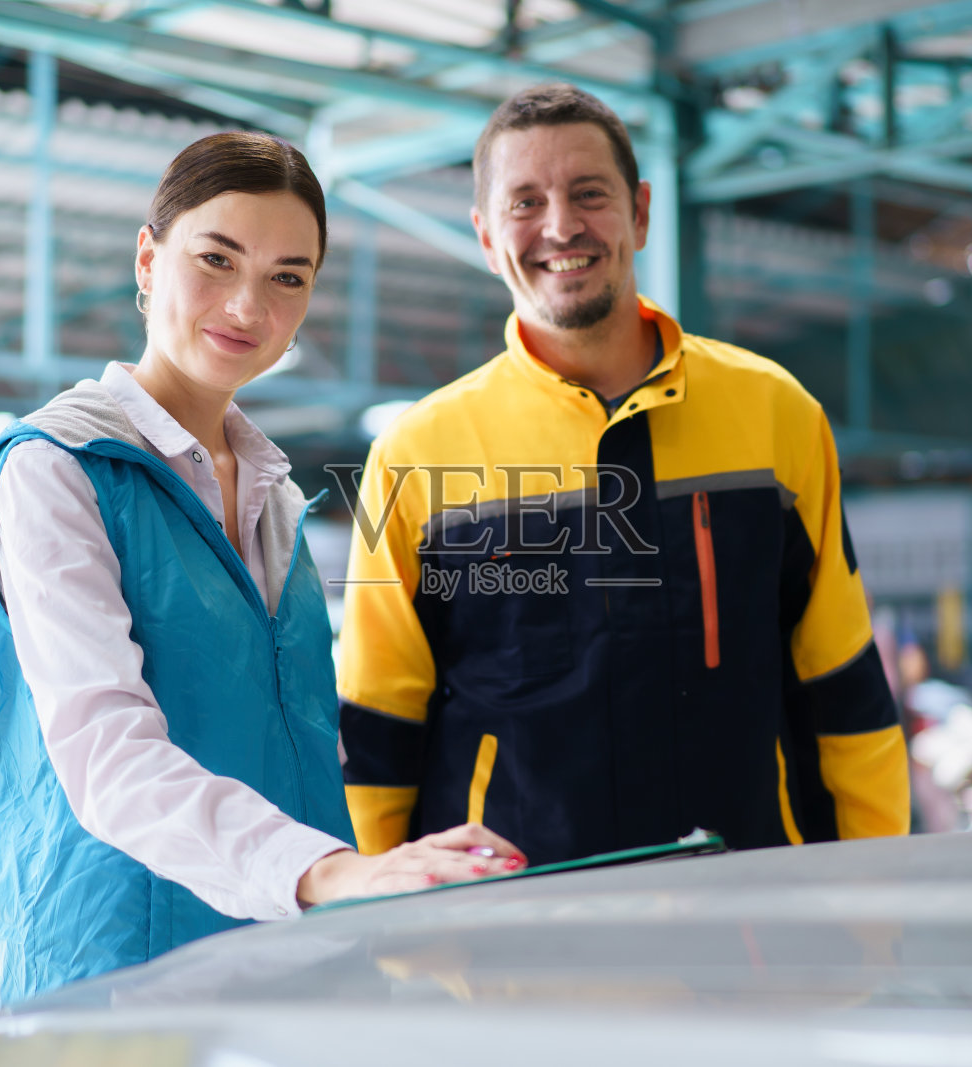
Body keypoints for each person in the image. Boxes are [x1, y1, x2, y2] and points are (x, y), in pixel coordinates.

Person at [0, 132, 522, 1008]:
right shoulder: (58, 469)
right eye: (216, 259)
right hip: (122, 971)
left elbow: (292, 734)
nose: (248, 306)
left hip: (289, 961)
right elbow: (108, 755)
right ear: (149, 258)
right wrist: (327, 874)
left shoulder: (276, 492)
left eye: (288, 277)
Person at [336, 84, 909, 866]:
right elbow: (375, 723)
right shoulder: (415, 454)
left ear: (640, 212)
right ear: (484, 235)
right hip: (510, 944)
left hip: (751, 923)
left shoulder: (776, 414)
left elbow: (843, 685)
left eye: (589, 194)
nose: (561, 226)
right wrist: (381, 926)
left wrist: (874, 900)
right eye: (525, 202)